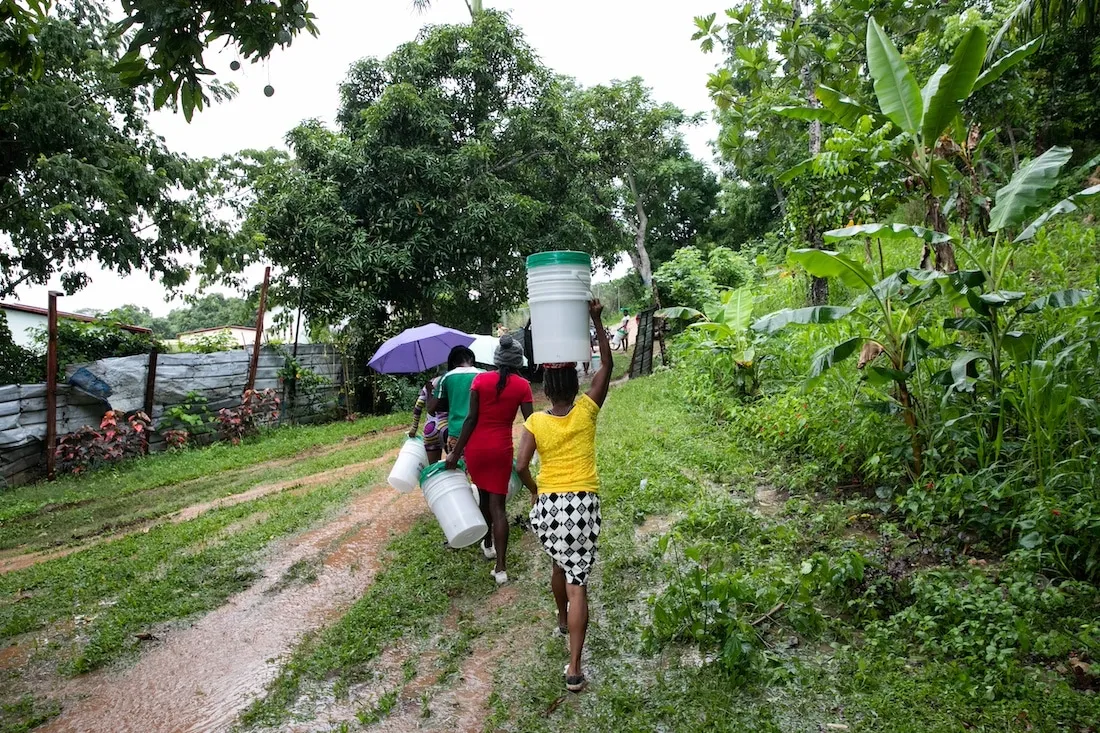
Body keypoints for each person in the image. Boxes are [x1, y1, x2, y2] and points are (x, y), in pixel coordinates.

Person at [516, 300, 612, 693]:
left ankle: (561, 616)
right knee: (579, 582)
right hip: (583, 504)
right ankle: (574, 667)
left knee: (559, 565)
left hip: (551, 506)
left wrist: (539, 493)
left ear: (545, 390)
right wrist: (596, 319)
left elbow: (521, 466)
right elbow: (606, 366)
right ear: (575, 388)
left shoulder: (535, 421)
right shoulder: (587, 409)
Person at [446, 335, 533, 583]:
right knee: (499, 508)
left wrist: (455, 452)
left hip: (476, 449)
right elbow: (532, 423)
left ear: (496, 360)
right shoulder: (523, 386)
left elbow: (470, 420)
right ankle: (501, 568)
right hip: (500, 450)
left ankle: (487, 543)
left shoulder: (480, 380)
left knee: (483, 498)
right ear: (517, 362)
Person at [426, 345, 480, 458]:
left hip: (456, 433)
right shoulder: (483, 375)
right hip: (479, 431)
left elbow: (431, 409)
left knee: (459, 472)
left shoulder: (446, 377)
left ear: (453, 363)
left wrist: (430, 390)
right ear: (471, 359)